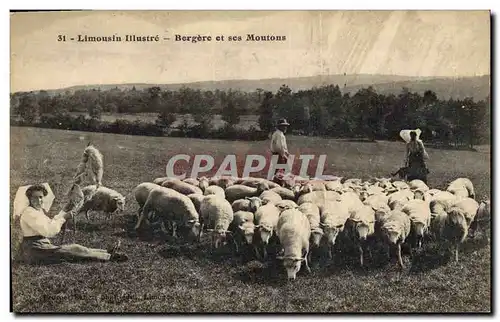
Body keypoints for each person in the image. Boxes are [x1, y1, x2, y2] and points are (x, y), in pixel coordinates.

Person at [18, 184, 128, 265]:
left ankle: (105, 252)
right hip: (34, 250)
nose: (39, 200)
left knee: (73, 249)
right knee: (70, 251)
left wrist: (65, 210)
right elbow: (49, 231)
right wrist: (64, 218)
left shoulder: (36, 211)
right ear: (29, 199)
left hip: (40, 246)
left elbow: (50, 222)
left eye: (41, 197)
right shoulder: (29, 213)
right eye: (34, 198)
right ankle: (108, 257)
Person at [270, 118, 290, 183]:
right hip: (279, 154)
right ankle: (284, 181)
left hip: (277, 153)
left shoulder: (277, 133)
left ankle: (273, 181)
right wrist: (283, 155)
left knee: (275, 169)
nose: (285, 127)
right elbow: (280, 146)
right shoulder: (279, 135)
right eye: (284, 126)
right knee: (285, 169)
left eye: (286, 126)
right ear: (280, 127)